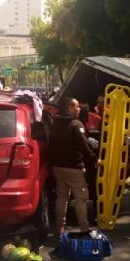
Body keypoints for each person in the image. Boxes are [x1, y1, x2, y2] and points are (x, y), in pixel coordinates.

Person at [49, 97, 100, 236]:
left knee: (62, 197)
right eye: (76, 106)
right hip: (74, 167)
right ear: (68, 108)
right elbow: (83, 147)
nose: (79, 109)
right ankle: (84, 228)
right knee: (81, 198)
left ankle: (59, 228)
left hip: (57, 166)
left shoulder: (54, 123)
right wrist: (95, 159)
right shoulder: (76, 124)